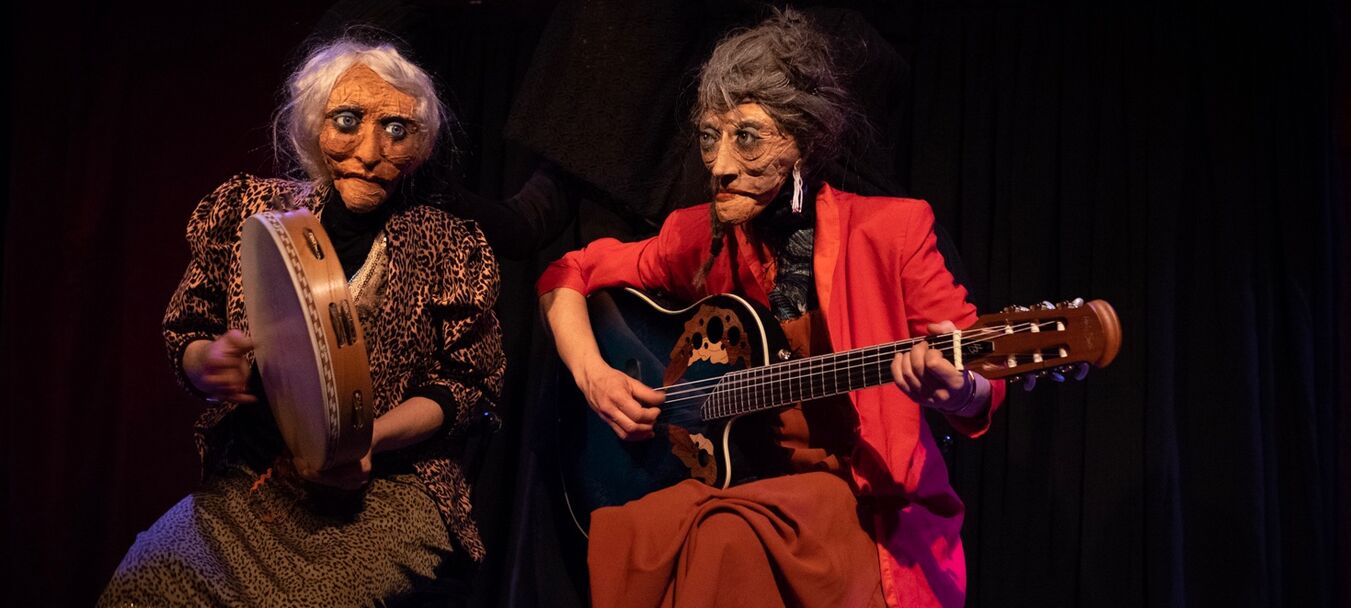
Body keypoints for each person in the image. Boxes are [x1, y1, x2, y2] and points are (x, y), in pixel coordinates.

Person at [537, 9, 1005, 608]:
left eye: (748, 136)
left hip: (861, 501)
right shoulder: (698, 237)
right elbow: (566, 273)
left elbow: (983, 375)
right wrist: (593, 375)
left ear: (806, 142)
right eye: (711, 136)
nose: (721, 165)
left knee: (722, 535)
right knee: (650, 526)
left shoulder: (892, 231)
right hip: (746, 482)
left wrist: (959, 392)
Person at [99, 39, 505, 606]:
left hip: (389, 489)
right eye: (347, 121)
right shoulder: (251, 212)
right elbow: (188, 328)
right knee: (148, 575)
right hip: (260, 479)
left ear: (421, 145)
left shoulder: (448, 246)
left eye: (395, 129)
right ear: (314, 127)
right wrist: (208, 364)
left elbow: (466, 385)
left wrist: (366, 442)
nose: (369, 150)